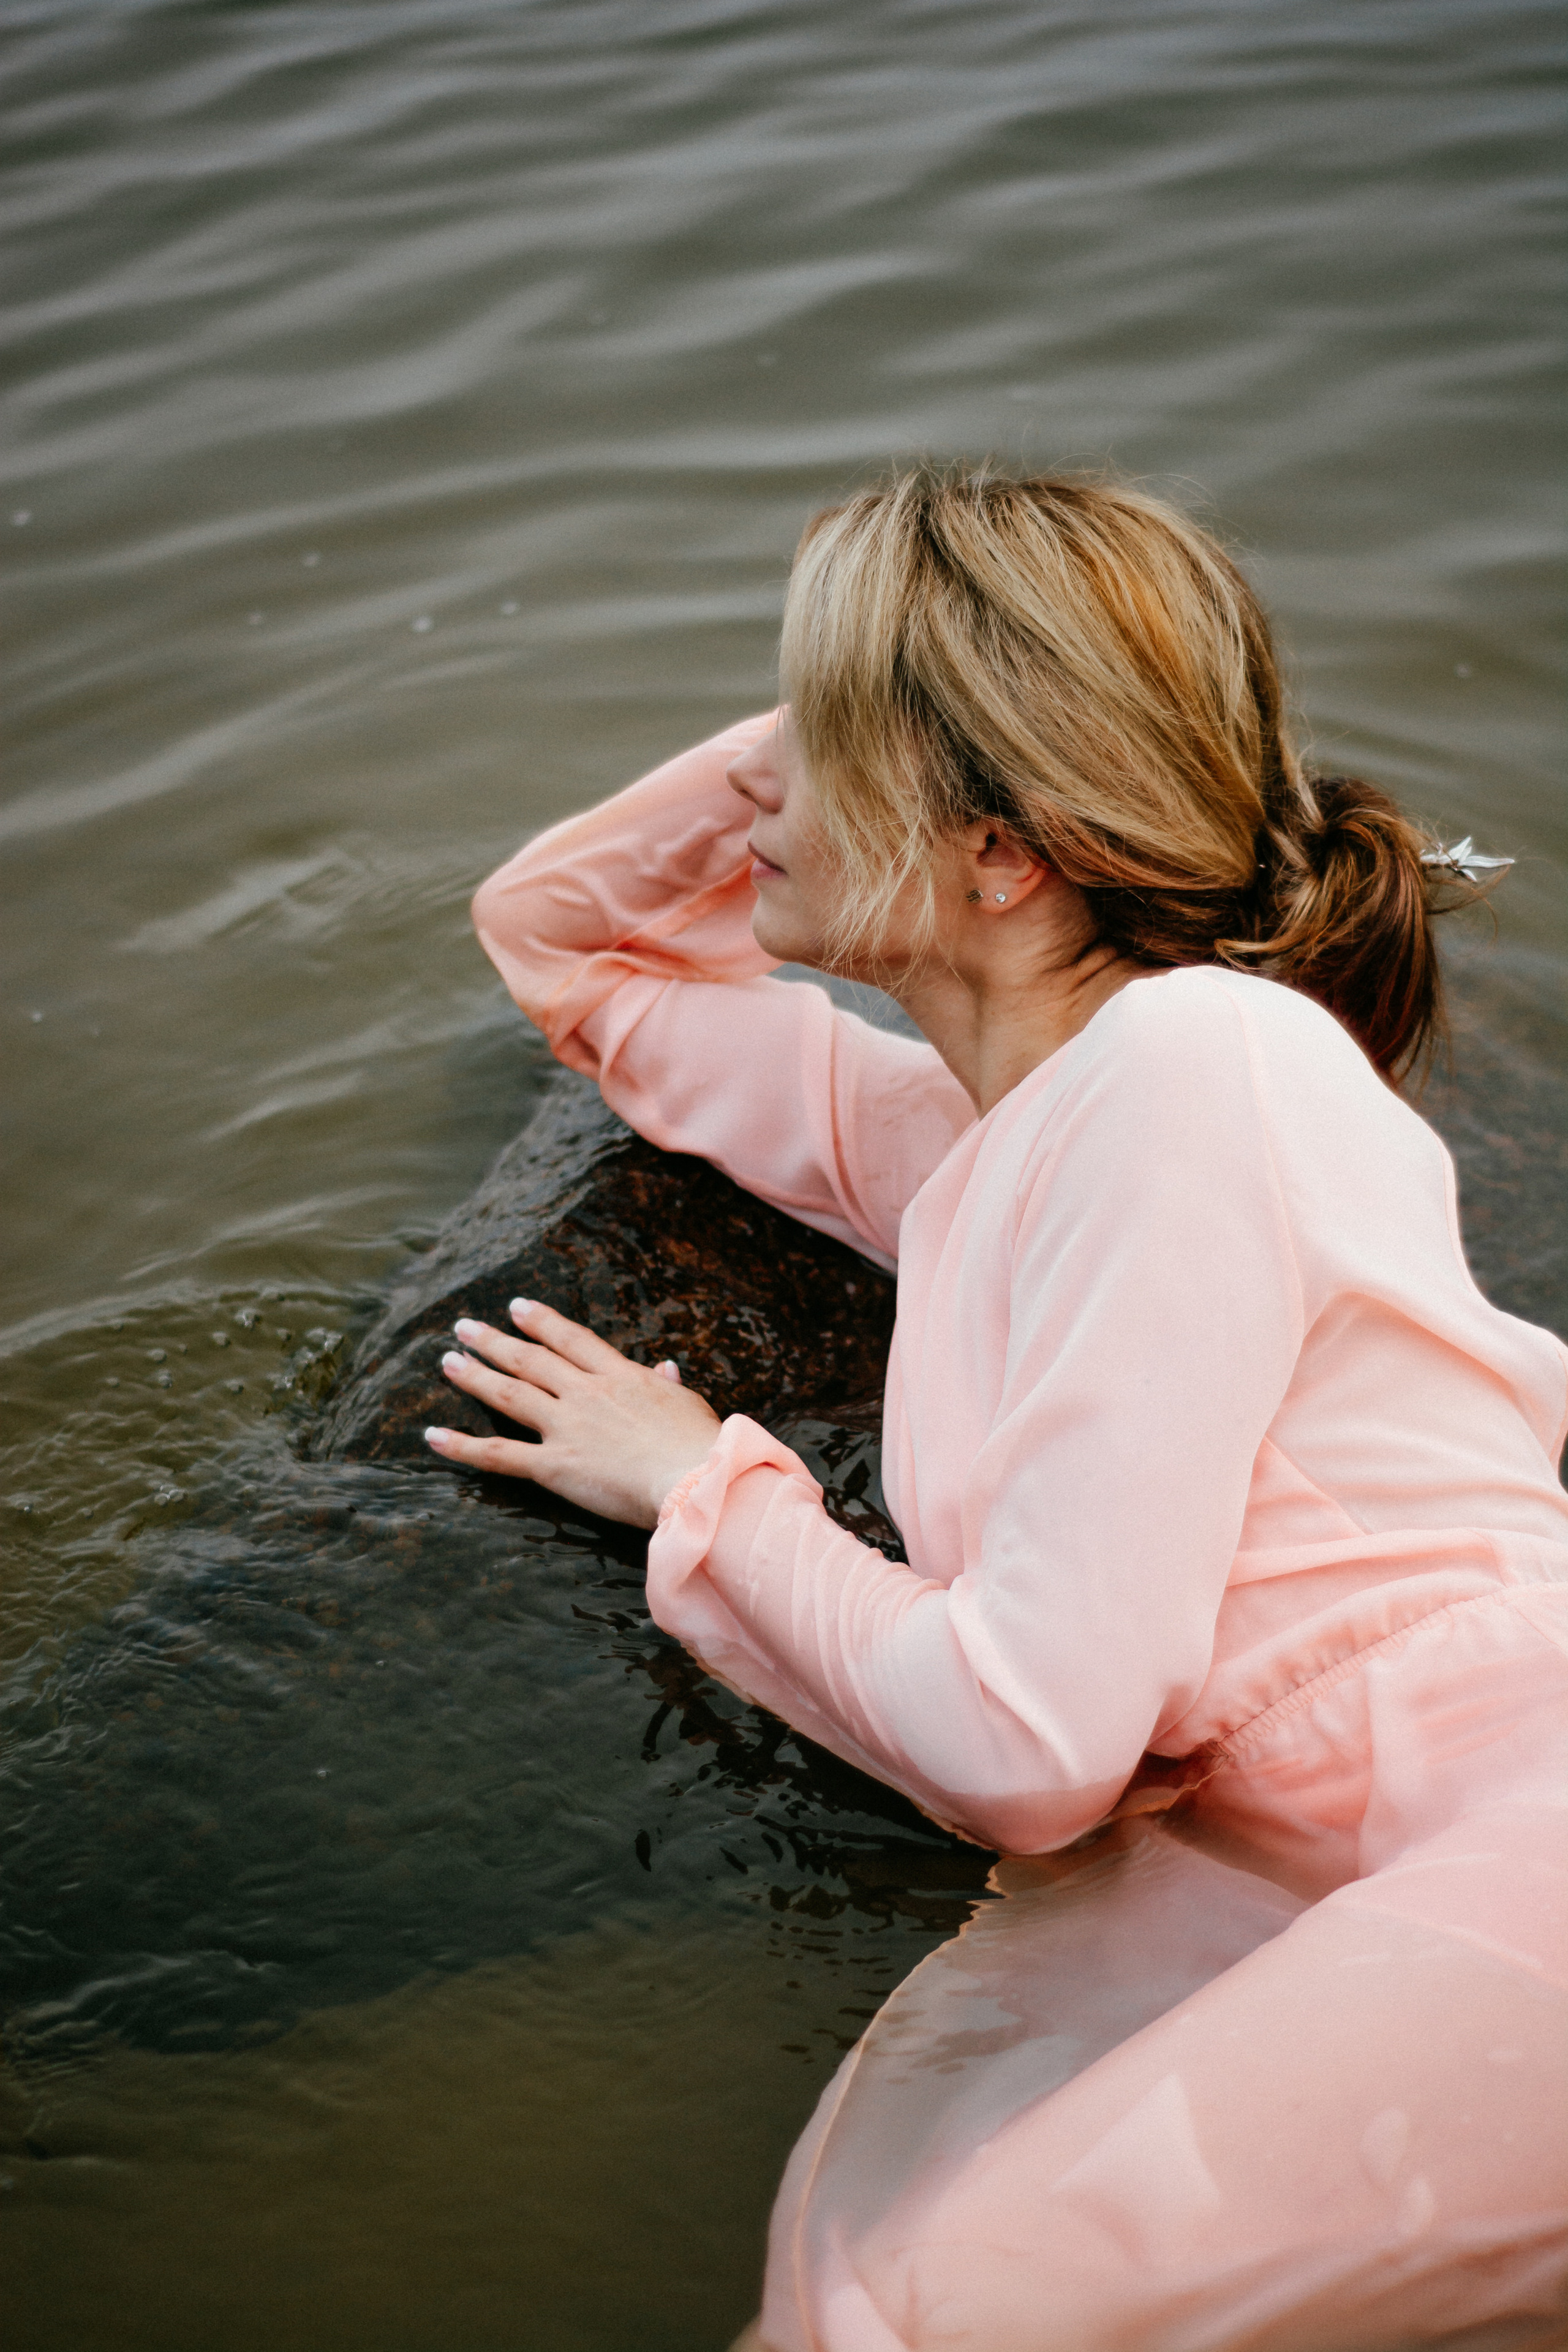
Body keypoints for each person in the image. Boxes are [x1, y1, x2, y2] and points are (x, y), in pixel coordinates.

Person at [428, 473, 1568, 2350]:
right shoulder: (961, 1143)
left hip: (1498, 1817)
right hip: (1314, 1846)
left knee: (933, 2316)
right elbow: (565, 944)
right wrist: (834, 736)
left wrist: (707, 1488)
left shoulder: (1203, 1064)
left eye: (815, 742)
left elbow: (1030, 1739)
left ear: (1003, 858)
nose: (761, 793)